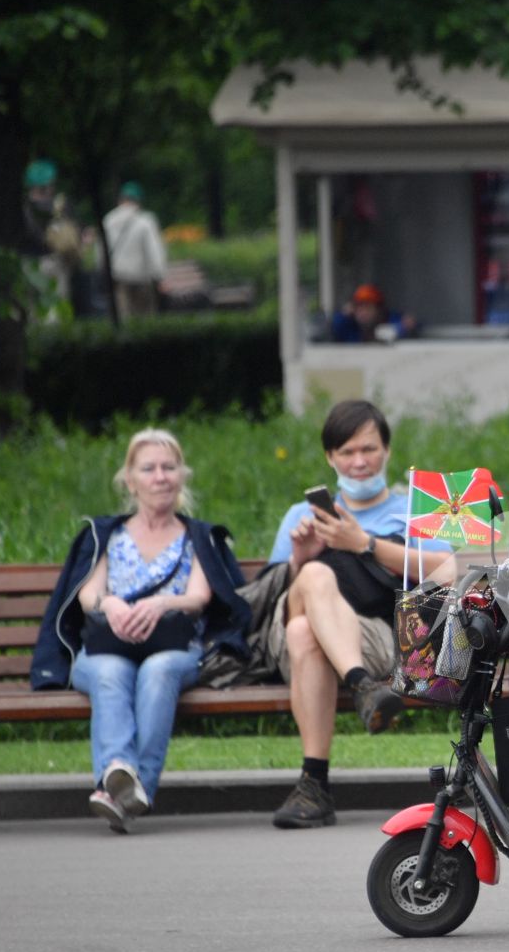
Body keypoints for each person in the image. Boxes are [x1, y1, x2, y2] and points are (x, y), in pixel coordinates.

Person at [31, 429, 251, 833]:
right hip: (104, 648)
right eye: (148, 468)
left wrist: (162, 603)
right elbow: (88, 596)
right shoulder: (106, 534)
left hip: (174, 646)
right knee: (111, 673)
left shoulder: (197, 536)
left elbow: (200, 597)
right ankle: (121, 775)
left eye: (169, 467)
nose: (160, 477)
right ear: (130, 480)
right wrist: (111, 604)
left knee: (159, 670)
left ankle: (127, 789)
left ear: (182, 475)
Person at [263, 400, 446, 828]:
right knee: (310, 580)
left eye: (368, 449)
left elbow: (446, 568)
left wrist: (362, 543)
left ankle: (314, 785)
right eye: (346, 452)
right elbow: (273, 592)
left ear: (387, 451)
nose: (359, 461)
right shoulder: (301, 515)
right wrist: (299, 558)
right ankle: (363, 688)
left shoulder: (412, 509)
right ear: (330, 457)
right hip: (289, 627)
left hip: (374, 636)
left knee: (307, 632)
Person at [21, 159, 83, 310]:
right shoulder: (61, 205)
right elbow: (75, 231)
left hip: (28, 263)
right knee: (57, 304)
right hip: (55, 260)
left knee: (30, 306)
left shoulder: (23, 208)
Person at [101, 182, 167, 319]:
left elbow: (101, 253)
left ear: (120, 199)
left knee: (123, 317)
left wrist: (103, 271)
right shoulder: (145, 221)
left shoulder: (108, 220)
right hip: (141, 277)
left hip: (117, 277)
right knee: (145, 319)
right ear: (138, 201)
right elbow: (154, 251)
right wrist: (159, 276)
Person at [329, 283, 418, 343]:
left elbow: (407, 325)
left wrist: (404, 326)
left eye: (367, 307)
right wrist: (345, 314)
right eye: (358, 307)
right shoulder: (350, 326)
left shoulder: (390, 319)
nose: (362, 312)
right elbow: (334, 326)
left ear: (379, 310)